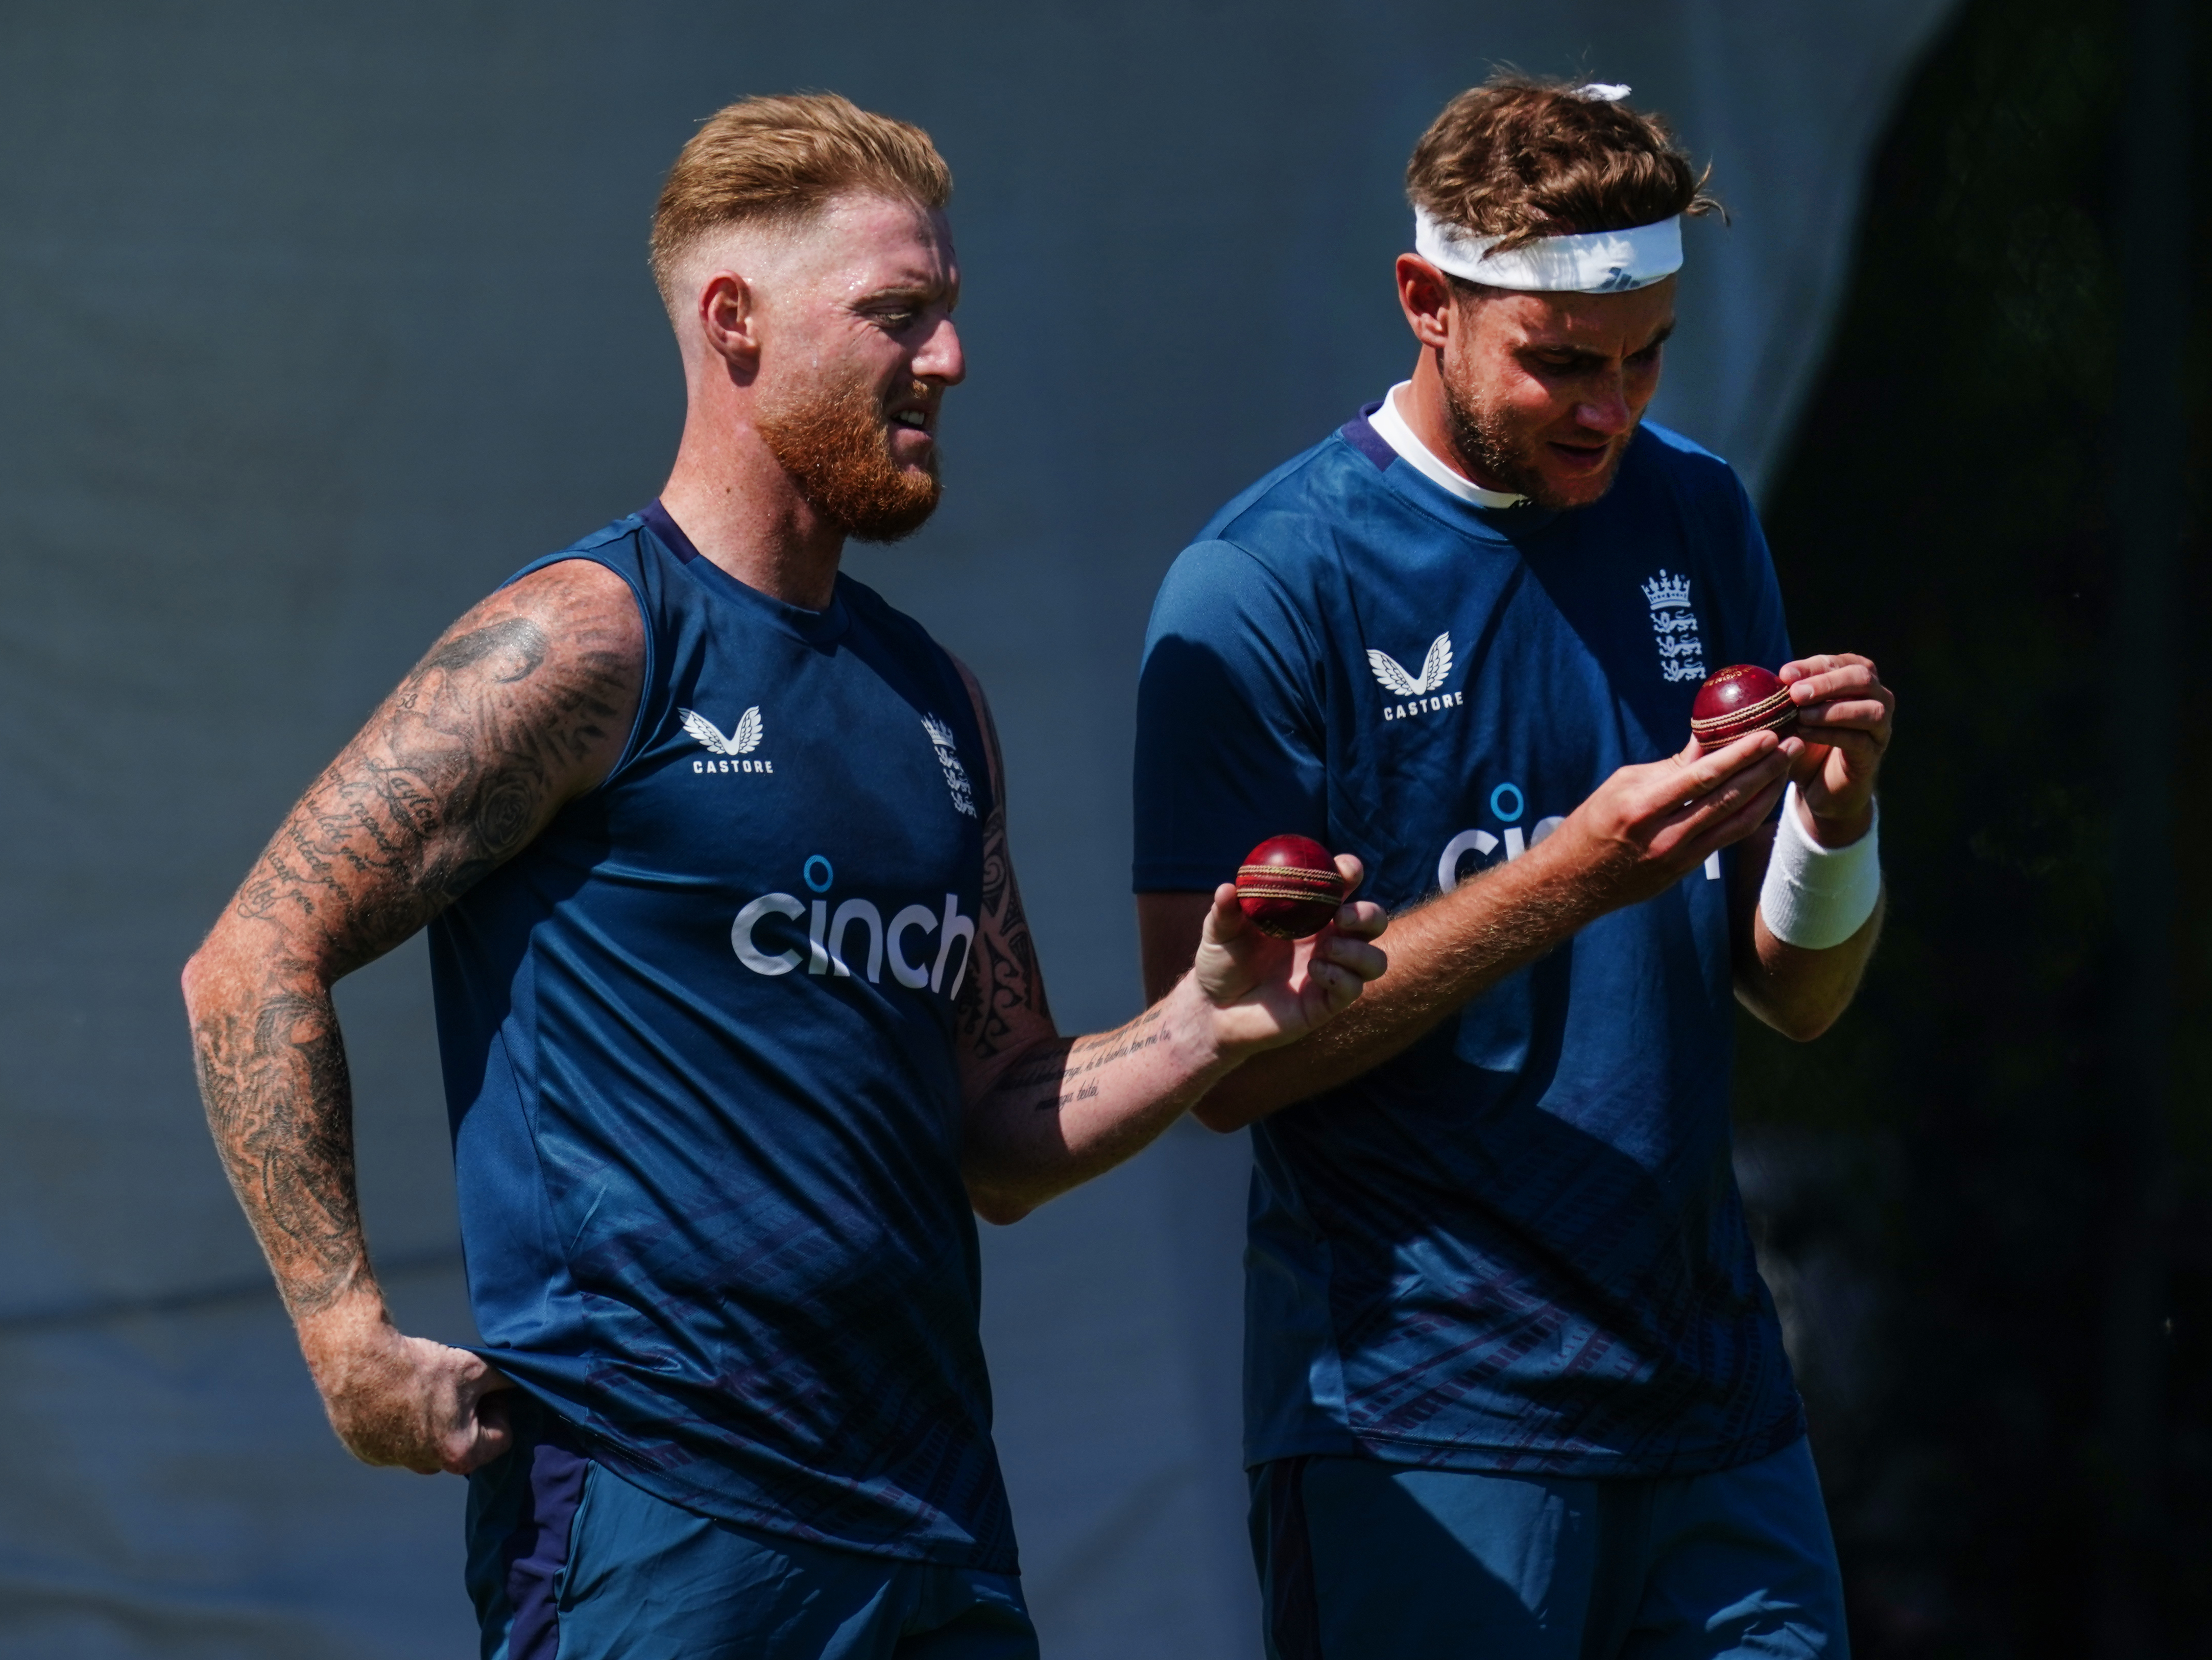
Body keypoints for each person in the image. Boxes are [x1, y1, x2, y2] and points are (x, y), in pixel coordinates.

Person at [180, 91, 1386, 1659]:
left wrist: (1211, 1021)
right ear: (733, 322)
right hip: (661, 1521)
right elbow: (252, 953)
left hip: (939, 1528)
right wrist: (344, 1332)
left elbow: (1003, 1126)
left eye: (947, 316)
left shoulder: (935, 698)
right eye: (898, 317)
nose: (946, 361)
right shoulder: (590, 639)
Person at [1133, 75, 1894, 1659]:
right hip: (1423, 1421)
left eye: (1646, 358)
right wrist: (1572, 871)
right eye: (1563, 364)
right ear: (1426, 300)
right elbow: (1210, 1065)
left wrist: (1835, 818)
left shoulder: (1696, 513)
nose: (1614, 409)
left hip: (1715, 1404)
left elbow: (1792, 994)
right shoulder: (1263, 584)